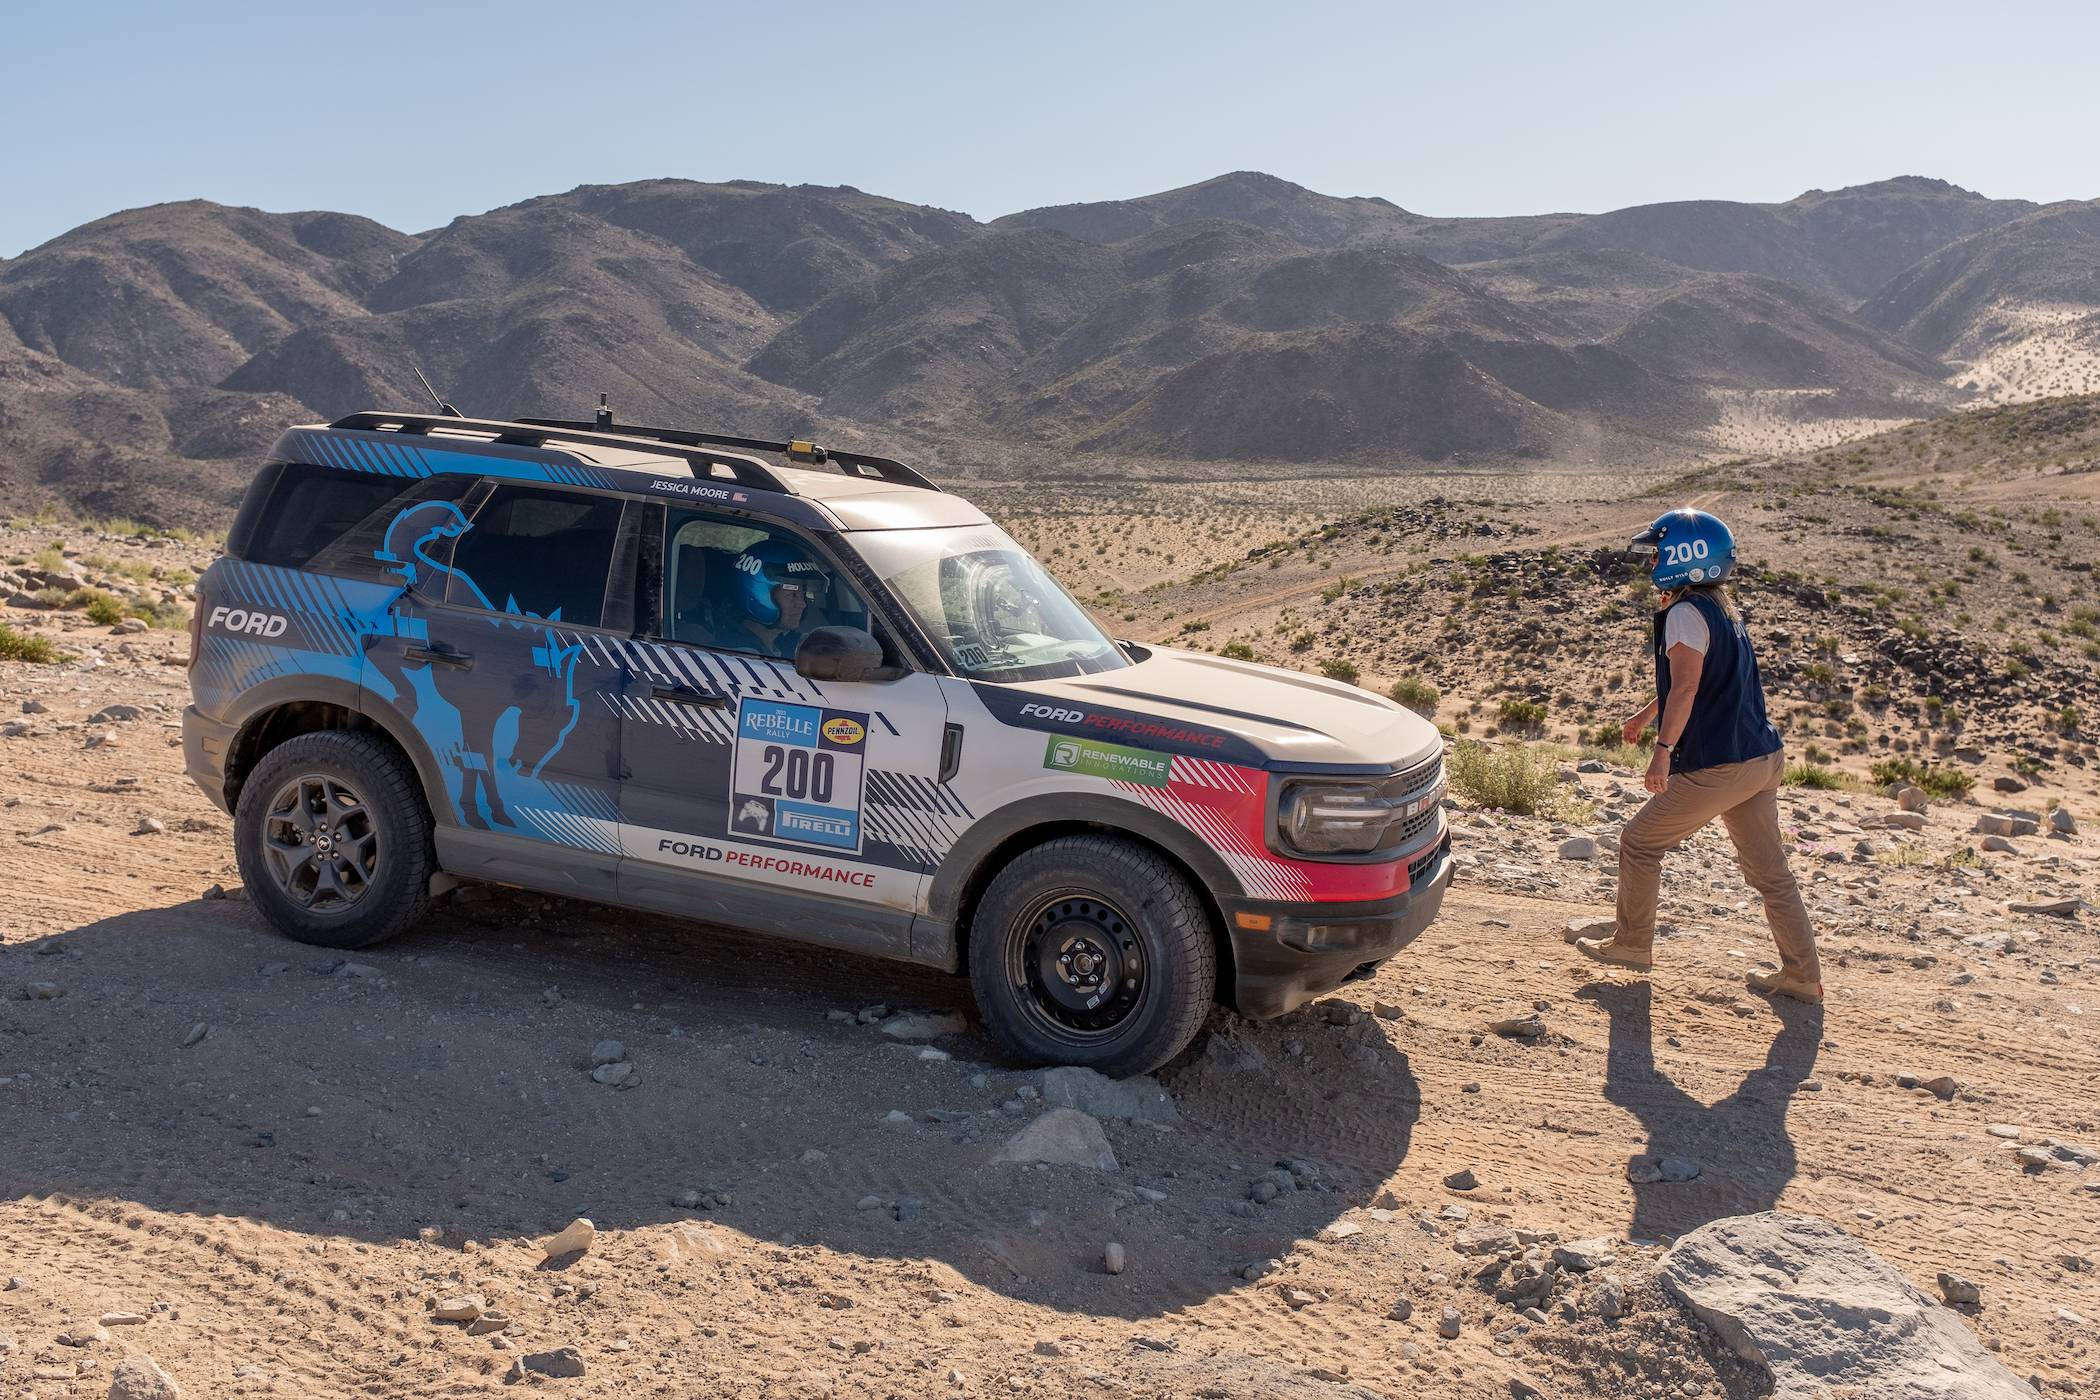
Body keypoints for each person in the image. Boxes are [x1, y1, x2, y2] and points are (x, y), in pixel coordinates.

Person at [1572, 509, 1824, 1004]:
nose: (1651, 564)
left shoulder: (1685, 613)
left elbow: (1686, 686)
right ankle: (1802, 976)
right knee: (1771, 874)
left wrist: (1662, 752)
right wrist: (1646, 717)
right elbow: (1699, 683)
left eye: (1659, 553)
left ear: (1685, 557)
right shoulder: (1722, 610)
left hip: (1719, 763)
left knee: (1640, 843)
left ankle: (1631, 944)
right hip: (1761, 757)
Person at [722, 538, 832, 660]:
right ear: (758, 594)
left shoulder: (785, 644)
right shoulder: (741, 657)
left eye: (803, 593)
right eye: (791, 595)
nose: (802, 604)